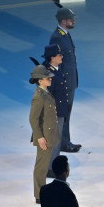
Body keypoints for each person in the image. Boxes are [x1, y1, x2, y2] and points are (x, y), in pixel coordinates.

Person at [50, 7, 81, 153]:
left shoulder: (65, 34)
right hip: (64, 84)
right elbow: (55, 64)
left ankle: (65, 141)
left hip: (70, 82)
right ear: (63, 21)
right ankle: (63, 143)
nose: (73, 21)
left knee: (66, 113)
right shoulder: (57, 38)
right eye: (70, 19)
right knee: (63, 114)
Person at [29, 65, 59, 203]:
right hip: (44, 137)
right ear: (40, 80)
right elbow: (33, 119)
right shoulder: (39, 96)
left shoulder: (45, 93)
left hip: (49, 135)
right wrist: (40, 137)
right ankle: (39, 195)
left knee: (44, 164)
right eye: (47, 77)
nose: (50, 79)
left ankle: (42, 191)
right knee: (41, 166)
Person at [41, 44, 68, 177]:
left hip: (60, 110)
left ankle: (53, 167)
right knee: (53, 141)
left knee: (56, 141)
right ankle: (50, 169)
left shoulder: (56, 68)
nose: (62, 56)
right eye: (59, 55)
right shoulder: (48, 73)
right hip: (54, 113)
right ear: (52, 57)